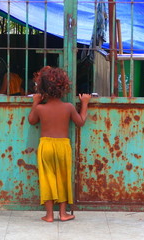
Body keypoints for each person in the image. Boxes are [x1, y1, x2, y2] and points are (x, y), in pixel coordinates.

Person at [28, 66, 91, 222]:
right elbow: (81, 122)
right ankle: (63, 214)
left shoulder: (41, 108)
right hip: (63, 146)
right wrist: (85, 103)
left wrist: (35, 103)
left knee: (47, 178)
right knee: (63, 178)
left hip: (46, 146)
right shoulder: (68, 107)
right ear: (64, 87)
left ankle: (49, 215)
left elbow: (31, 121)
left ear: (42, 88)